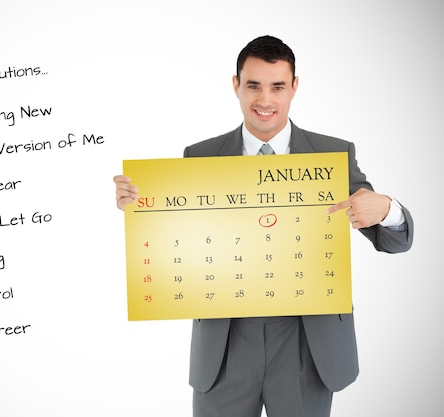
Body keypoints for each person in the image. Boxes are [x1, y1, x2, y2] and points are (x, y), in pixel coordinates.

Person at [113, 35, 414, 417]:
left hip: (306, 343)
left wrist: (387, 209)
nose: (265, 100)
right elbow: (181, 246)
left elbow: (396, 241)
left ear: (295, 88)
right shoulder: (199, 156)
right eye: (253, 85)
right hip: (225, 344)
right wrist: (141, 209)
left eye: (277, 87)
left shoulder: (333, 155)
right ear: (236, 85)